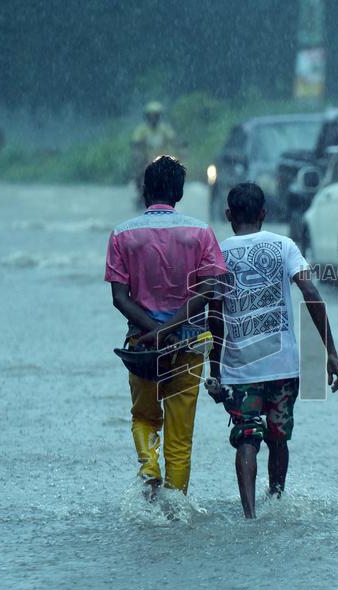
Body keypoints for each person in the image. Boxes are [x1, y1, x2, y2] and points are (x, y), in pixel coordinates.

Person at [206, 182, 338, 519]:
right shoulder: (284, 246)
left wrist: (214, 370)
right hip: (283, 368)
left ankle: (250, 515)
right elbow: (311, 293)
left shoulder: (217, 253)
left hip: (239, 370)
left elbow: (214, 315)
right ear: (264, 214)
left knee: (247, 438)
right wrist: (332, 352)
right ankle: (277, 499)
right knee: (278, 438)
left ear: (228, 216)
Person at [105, 155, 227, 500]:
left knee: (143, 417)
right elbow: (209, 289)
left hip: (141, 345)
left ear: (145, 191)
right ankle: (176, 509)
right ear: (180, 193)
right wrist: (171, 328)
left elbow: (119, 297)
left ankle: (149, 470)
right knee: (180, 433)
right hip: (188, 344)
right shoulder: (201, 233)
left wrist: (154, 330)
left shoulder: (122, 235)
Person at [131, 101, 178, 207]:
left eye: (155, 115)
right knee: (139, 173)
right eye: (150, 116)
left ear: (159, 116)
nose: (153, 118)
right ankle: (140, 193)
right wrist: (138, 154)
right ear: (147, 117)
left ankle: (172, 193)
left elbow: (173, 140)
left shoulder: (165, 129)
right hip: (146, 159)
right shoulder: (142, 130)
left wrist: (178, 151)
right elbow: (136, 143)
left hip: (163, 159)